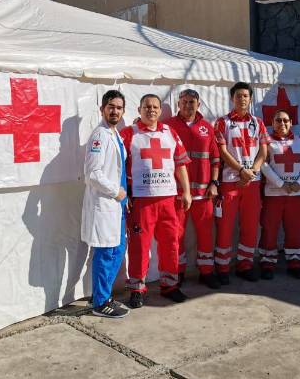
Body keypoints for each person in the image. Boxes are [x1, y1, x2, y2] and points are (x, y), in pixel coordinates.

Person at [120, 94, 192, 308]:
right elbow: (117, 166)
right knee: (139, 246)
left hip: (168, 198)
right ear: (139, 109)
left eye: (155, 107)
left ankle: (170, 285)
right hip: (141, 200)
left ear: (160, 110)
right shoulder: (128, 133)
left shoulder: (170, 132)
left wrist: (187, 192)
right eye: (147, 106)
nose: (151, 110)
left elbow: (180, 164)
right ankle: (137, 289)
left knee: (171, 243)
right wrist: (124, 193)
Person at [164, 89, 221, 290]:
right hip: (178, 192)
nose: (188, 105)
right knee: (176, 235)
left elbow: (215, 158)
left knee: (206, 234)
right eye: (185, 102)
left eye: (192, 102)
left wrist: (214, 183)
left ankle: (206, 272)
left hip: (204, 193)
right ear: (178, 104)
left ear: (198, 104)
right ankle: (177, 272)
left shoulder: (207, 127)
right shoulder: (168, 126)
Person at [81, 90, 130, 318]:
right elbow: (92, 173)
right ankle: (100, 302)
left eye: (119, 108)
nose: (115, 111)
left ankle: (103, 294)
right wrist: (116, 192)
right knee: (106, 252)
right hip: (107, 202)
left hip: (117, 205)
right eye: (111, 107)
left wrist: (123, 198)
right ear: (102, 109)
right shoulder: (99, 136)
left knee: (117, 250)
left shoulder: (115, 134)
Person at [213, 82, 268, 283]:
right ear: (232, 98)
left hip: (252, 182)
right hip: (230, 182)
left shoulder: (258, 122)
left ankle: (245, 265)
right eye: (238, 95)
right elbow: (222, 151)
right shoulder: (222, 122)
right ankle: (222, 267)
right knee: (225, 226)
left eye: (245, 95)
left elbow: (263, 151)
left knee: (251, 226)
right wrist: (241, 171)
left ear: (250, 98)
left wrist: (252, 171)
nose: (242, 99)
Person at [259, 109, 300, 279]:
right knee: (270, 229)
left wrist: (299, 182)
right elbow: (263, 164)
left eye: (285, 120)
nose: (282, 123)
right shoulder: (266, 141)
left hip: (296, 193)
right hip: (273, 194)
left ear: (291, 123)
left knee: (294, 229)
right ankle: (267, 263)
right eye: (278, 120)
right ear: (272, 123)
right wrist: (281, 184)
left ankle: (294, 263)